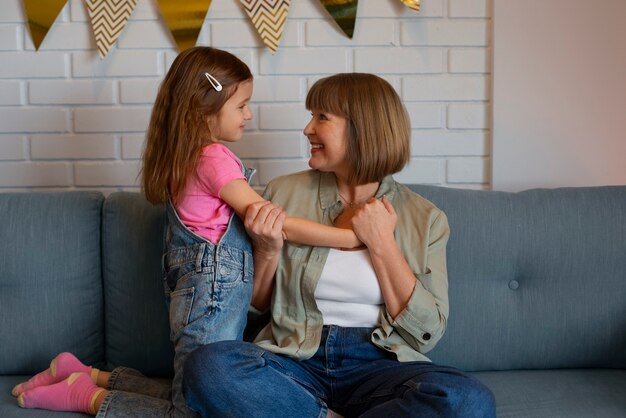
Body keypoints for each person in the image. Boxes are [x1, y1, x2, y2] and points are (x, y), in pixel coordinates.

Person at [12, 47, 362, 416]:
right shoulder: (214, 158)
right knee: (194, 410)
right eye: (241, 105)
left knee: (195, 392)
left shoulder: (188, 158)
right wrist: (348, 238)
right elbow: (275, 221)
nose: (248, 114)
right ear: (205, 106)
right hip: (213, 299)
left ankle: (86, 374)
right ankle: (83, 396)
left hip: (200, 295)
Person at [183, 73, 497, 417]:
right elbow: (255, 310)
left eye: (321, 117)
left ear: (362, 128)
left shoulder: (426, 219)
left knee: (468, 399)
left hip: (380, 365)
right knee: (209, 366)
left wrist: (381, 244)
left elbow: (428, 331)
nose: (307, 129)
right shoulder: (282, 193)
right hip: (295, 359)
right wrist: (268, 250)